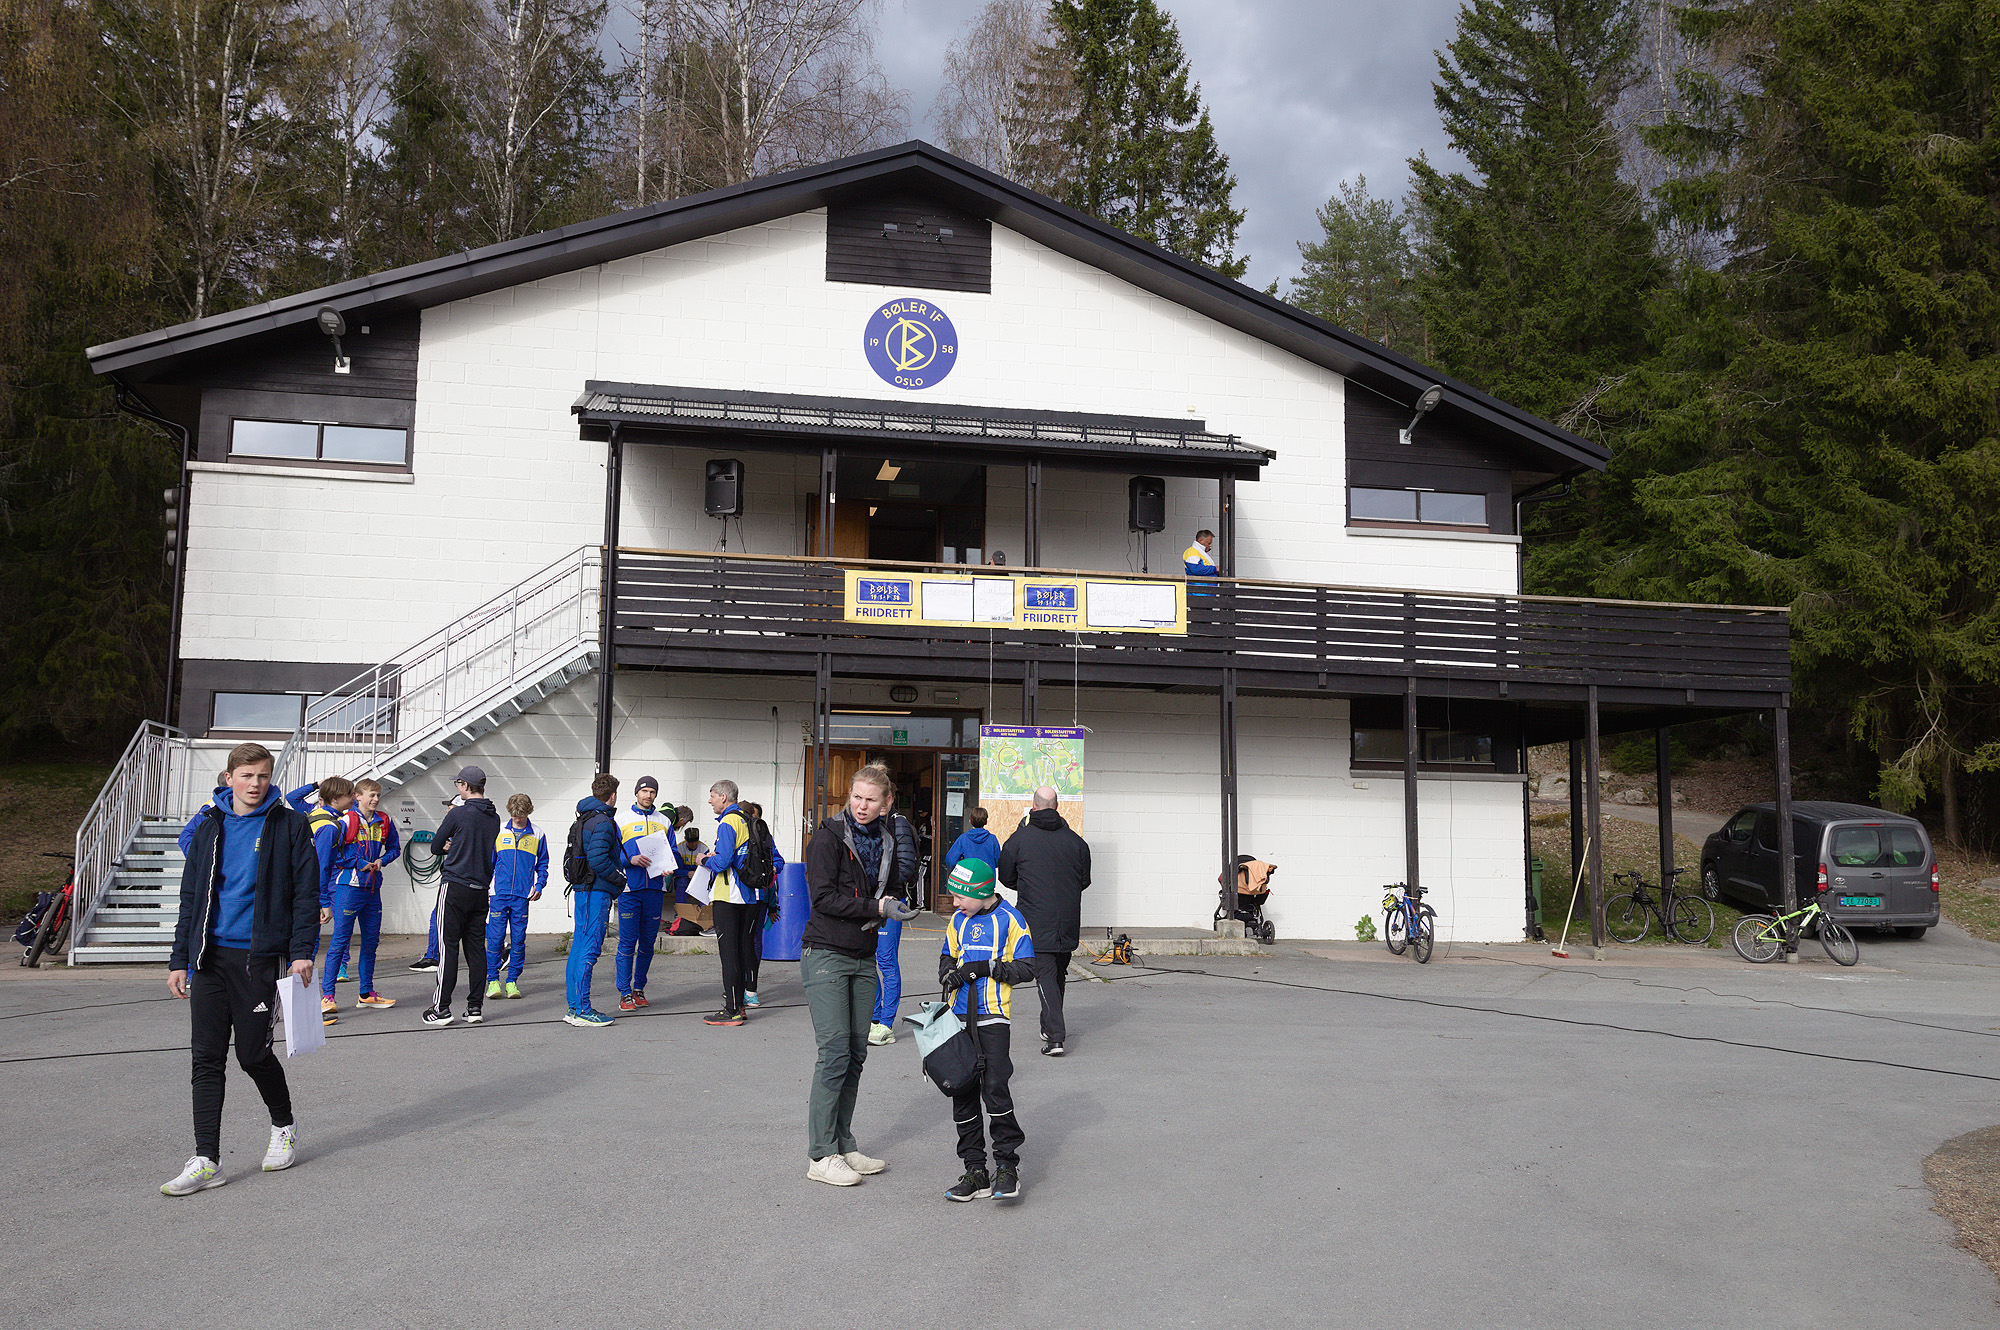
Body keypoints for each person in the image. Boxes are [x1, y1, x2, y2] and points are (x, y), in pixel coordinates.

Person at [162, 742, 321, 1196]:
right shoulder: (209, 825)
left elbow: (305, 893)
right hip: (209, 958)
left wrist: (302, 950)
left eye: (263, 776)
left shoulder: (290, 824)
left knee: (252, 1055)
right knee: (206, 1058)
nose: (255, 784)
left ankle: (283, 1126)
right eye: (247, 776)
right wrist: (179, 959)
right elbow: (191, 897)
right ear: (229, 777)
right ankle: (206, 1159)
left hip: (258, 958)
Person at [800, 764, 919, 1186]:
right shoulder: (827, 838)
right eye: (856, 797)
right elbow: (823, 898)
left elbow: (888, 887)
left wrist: (895, 902)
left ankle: (844, 1144)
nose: (862, 806)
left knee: (855, 1054)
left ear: (886, 803)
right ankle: (820, 1155)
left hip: (863, 955)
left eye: (871, 799)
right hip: (826, 954)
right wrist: (876, 908)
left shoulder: (887, 840)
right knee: (834, 1054)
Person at [938, 857, 1036, 1202]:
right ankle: (975, 1171)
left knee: (995, 1089)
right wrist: (948, 973)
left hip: (992, 1018)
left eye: (960, 897)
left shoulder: (1011, 919)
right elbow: (947, 956)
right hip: (957, 1019)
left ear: (982, 892)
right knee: (962, 1092)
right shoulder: (958, 920)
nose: (955, 903)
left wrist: (986, 968)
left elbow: (1027, 967)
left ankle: (1007, 1166)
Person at [996, 785, 1092, 1057]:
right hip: (1068, 920)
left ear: (1033, 806)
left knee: (1047, 976)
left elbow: (1005, 876)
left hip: (1036, 918)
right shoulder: (1077, 842)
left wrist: (1029, 887)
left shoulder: (1019, 839)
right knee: (1056, 974)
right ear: (1057, 806)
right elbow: (1084, 880)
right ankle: (1048, 1025)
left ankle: (1055, 1037)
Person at [423, 766, 499, 1028]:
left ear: (465, 786)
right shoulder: (494, 816)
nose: (457, 788)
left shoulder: (458, 813)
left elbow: (436, 846)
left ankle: (441, 1008)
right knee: (476, 949)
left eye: (458, 784)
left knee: (448, 947)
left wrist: (451, 846)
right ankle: (474, 1007)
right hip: (480, 888)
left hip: (455, 884)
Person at [321, 777, 401, 1018]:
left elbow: (395, 849)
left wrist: (382, 860)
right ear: (358, 796)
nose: (375, 799)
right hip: (349, 888)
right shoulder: (345, 820)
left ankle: (366, 993)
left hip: (373, 890)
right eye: (371, 795)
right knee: (339, 942)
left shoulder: (384, 821)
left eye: (378, 795)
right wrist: (358, 863)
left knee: (371, 943)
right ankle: (327, 996)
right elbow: (331, 856)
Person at [701, 779, 766, 1026]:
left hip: (729, 895)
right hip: (750, 895)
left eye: (712, 796)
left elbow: (722, 862)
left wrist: (703, 860)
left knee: (729, 954)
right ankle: (740, 1005)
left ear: (723, 797)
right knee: (742, 950)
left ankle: (732, 1010)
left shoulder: (728, 821)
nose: (710, 801)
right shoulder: (748, 819)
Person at [565, 773, 626, 1027]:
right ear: (612, 796)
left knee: (579, 946)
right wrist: (619, 879)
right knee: (589, 947)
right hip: (595, 891)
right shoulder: (603, 821)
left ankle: (574, 1007)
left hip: (582, 889)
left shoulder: (584, 817)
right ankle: (582, 1009)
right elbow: (599, 859)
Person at [865, 791, 921, 1047]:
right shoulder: (867, 824)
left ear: (889, 799)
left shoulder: (900, 824)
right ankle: (874, 1017)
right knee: (868, 961)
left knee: (886, 962)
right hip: (868, 904)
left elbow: (906, 867)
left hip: (891, 902)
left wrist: (884, 889)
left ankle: (886, 1024)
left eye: (877, 797)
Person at [616, 776, 674, 1011]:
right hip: (630, 889)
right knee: (627, 943)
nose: (648, 795)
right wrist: (629, 860)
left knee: (648, 944)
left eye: (652, 792)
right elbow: (612, 853)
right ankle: (624, 993)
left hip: (655, 889)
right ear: (636, 793)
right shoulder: (621, 820)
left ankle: (638, 988)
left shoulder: (664, 821)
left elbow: (672, 852)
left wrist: (670, 866)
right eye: (644, 791)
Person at [484, 794, 547, 1000]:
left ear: (529, 812)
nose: (517, 819)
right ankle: (493, 981)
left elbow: (543, 863)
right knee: (495, 939)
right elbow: (489, 862)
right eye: (513, 815)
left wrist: (539, 885)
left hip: (522, 895)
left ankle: (512, 982)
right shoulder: (499, 830)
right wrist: (486, 887)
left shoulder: (538, 834)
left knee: (519, 940)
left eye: (521, 815)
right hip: (499, 894)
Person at [410, 780, 472, 972]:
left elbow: (445, 848)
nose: (447, 810)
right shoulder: (467, 827)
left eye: (450, 807)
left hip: (458, 880)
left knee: (438, 916)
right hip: (466, 881)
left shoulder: (460, 827)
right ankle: (500, 946)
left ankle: (433, 957)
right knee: (469, 921)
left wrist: (450, 848)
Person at [307, 777, 354, 1026]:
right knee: (307, 949)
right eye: (349, 794)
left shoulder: (316, 815)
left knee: (305, 949)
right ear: (336, 799)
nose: (353, 797)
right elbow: (322, 866)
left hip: (303, 888)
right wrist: (323, 901)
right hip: (310, 892)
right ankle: (304, 1010)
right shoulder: (330, 827)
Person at [739, 801, 786, 1009]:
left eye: (754, 817)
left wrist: (770, 869)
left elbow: (779, 862)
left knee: (753, 941)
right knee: (737, 942)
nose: (750, 820)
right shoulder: (734, 833)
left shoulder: (765, 836)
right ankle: (736, 984)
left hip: (759, 898)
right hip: (737, 897)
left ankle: (750, 988)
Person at [942, 806, 1001, 876]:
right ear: (986, 822)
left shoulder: (963, 839)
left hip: (968, 878)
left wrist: (961, 870)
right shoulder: (992, 839)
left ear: (970, 821)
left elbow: (951, 860)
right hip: (987, 878)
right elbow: (998, 861)